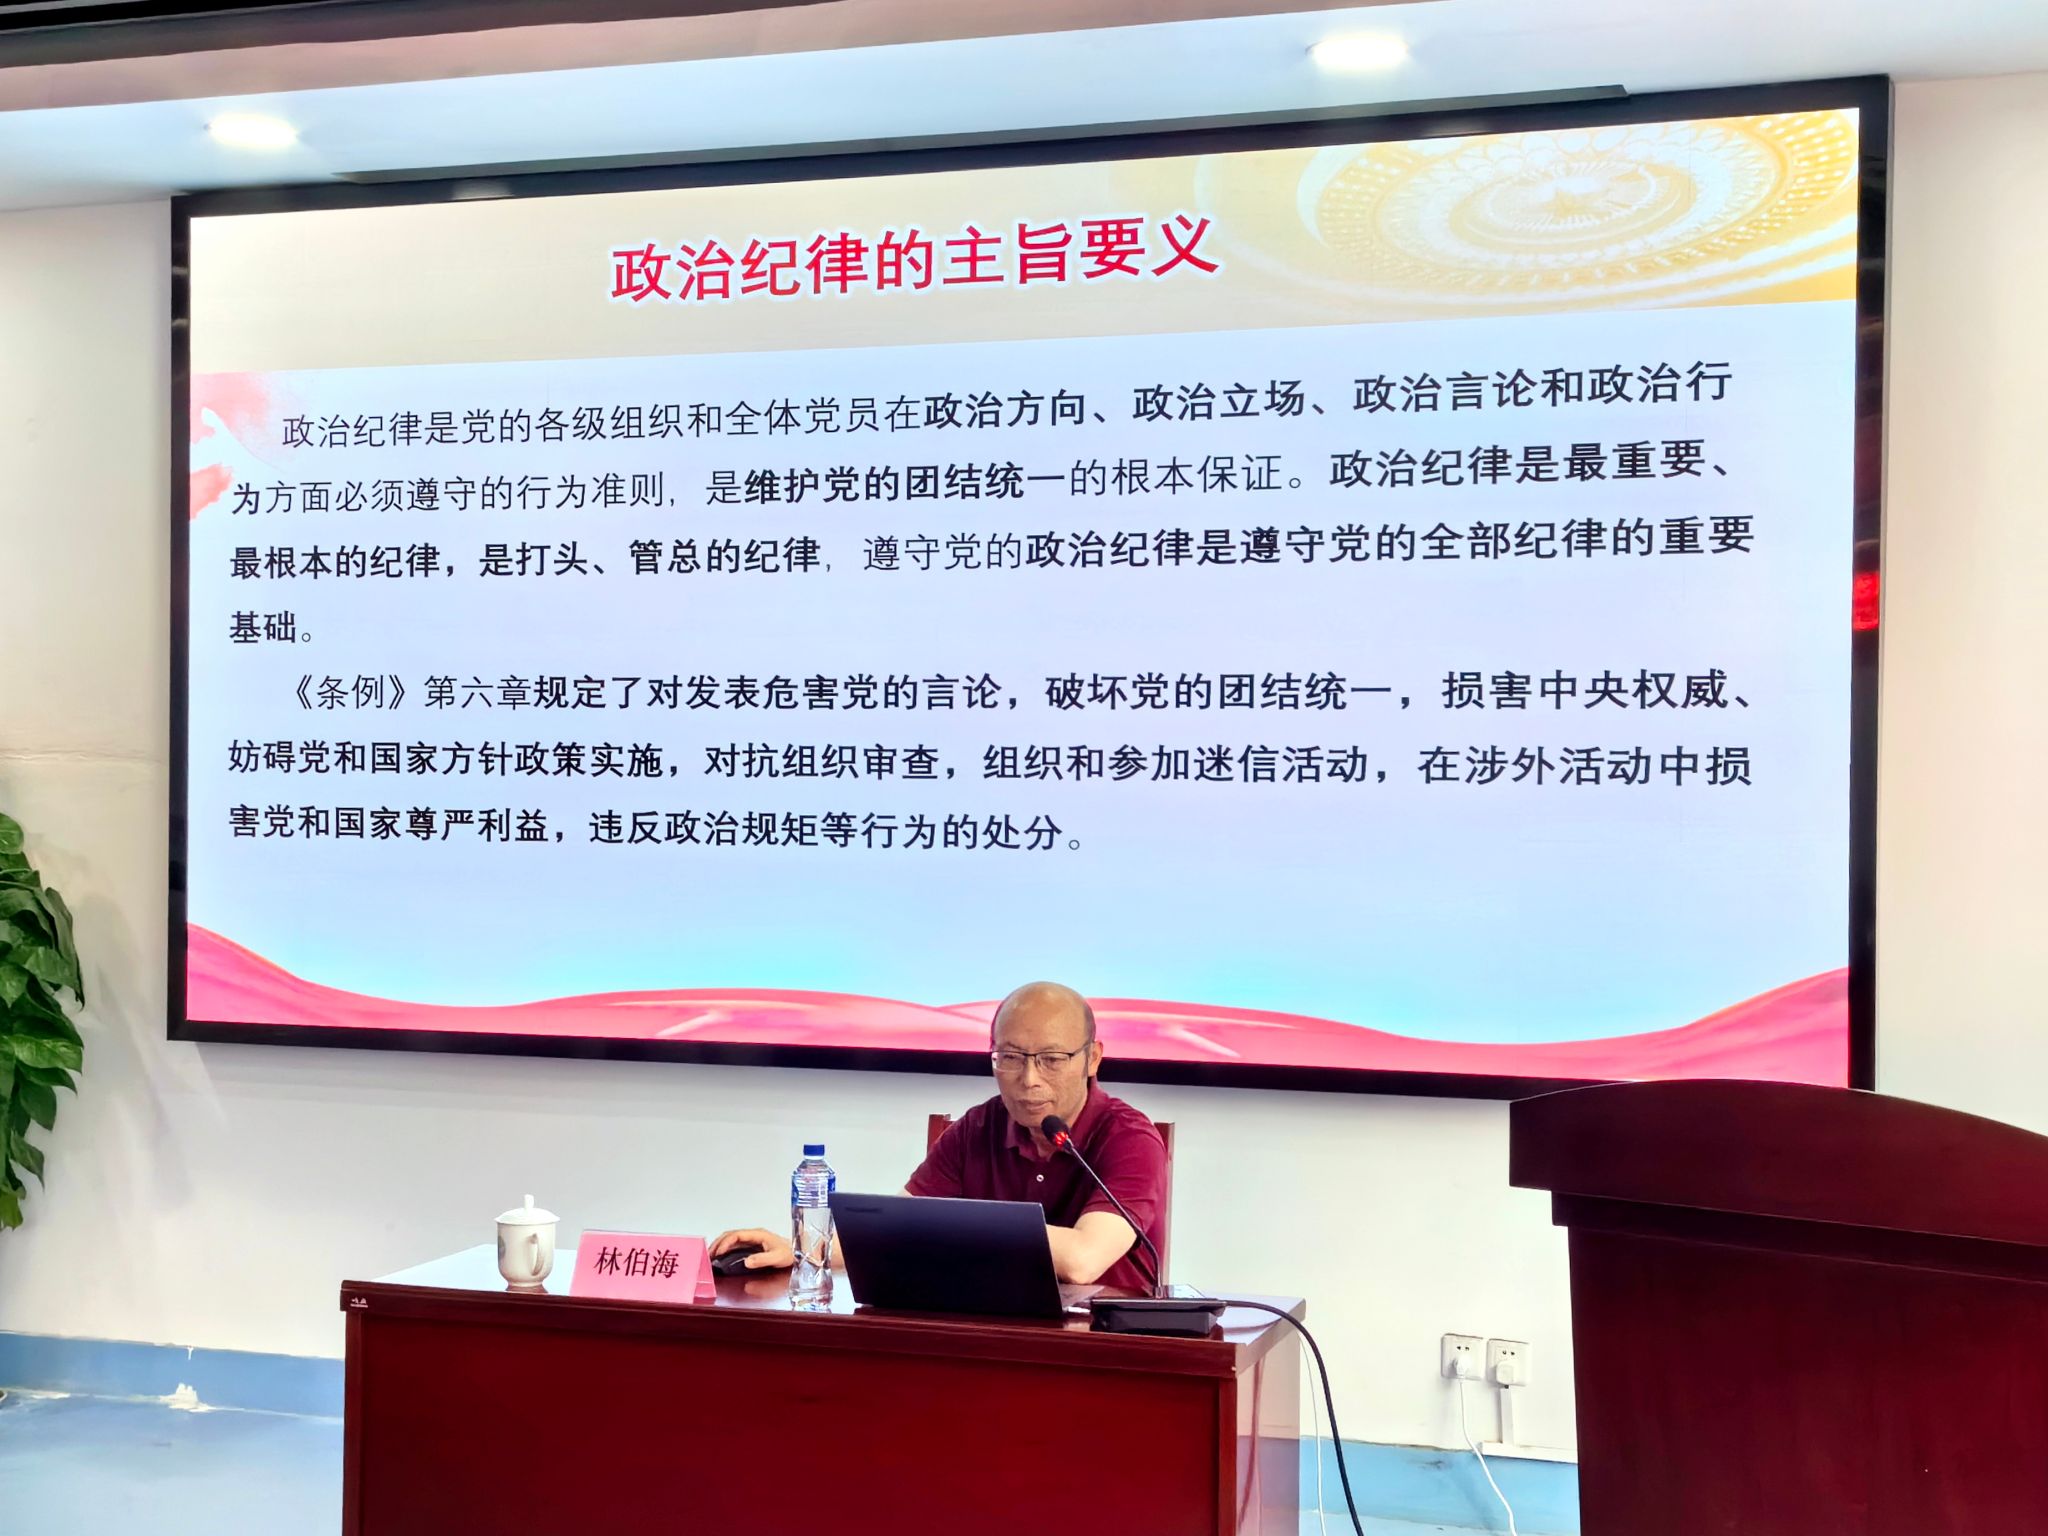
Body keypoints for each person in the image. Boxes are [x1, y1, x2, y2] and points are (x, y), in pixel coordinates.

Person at [711, 981, 1167, 1291]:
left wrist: (959, 1226)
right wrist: (802, 1250)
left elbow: (1083, 1260)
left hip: (1103, 1350)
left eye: (1051, 1059)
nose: (1029, 1079)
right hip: (991, 1333)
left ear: (1092, 1059)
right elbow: (895, 1231)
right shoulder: (979, 1127)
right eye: (1009, 1058)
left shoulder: (1129, 1138)